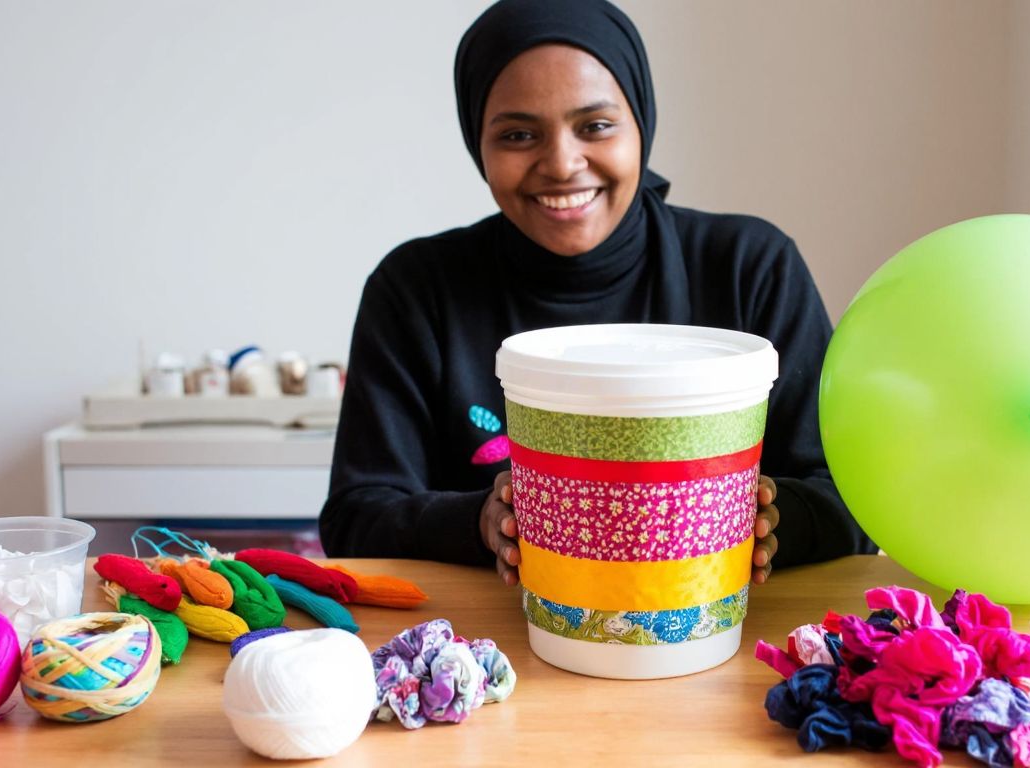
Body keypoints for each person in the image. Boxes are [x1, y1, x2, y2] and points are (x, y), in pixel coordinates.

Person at [318, 0, 875, 585]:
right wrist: (483, 521)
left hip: (722, 644)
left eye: (596, 126)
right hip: (486, 655)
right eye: (517, 134)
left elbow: (852, 497)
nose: (561, 163)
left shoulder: (748, 267)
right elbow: (356, 517)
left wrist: (763, 518)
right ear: (476, 143)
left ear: (642, 124)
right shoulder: (415, 290)